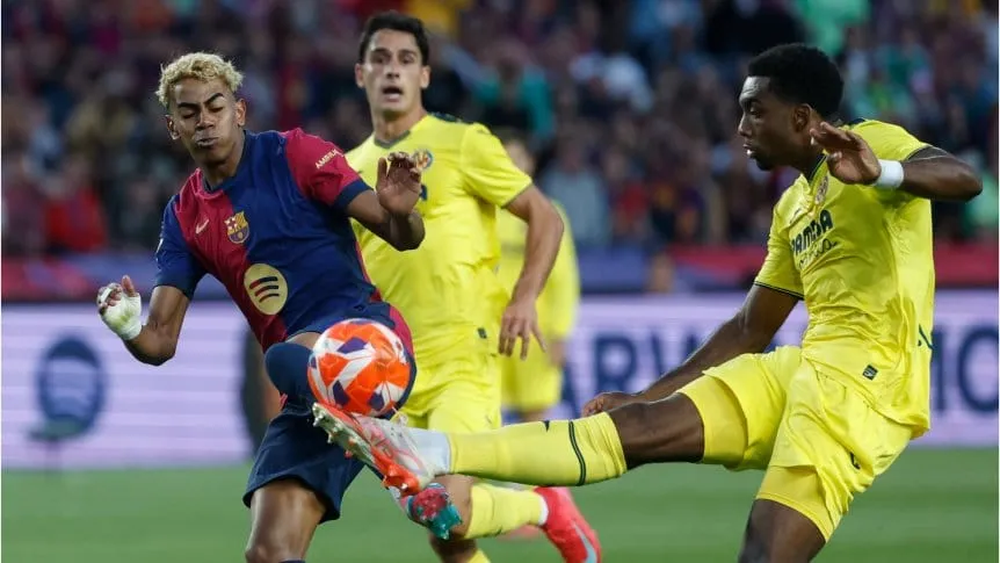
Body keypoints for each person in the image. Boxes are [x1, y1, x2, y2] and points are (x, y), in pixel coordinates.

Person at [312, 43, 983, 562]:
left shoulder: (876, 143)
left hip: (867, 384)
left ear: (805, 119)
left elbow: (965, 178)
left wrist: (885, 172)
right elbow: (751, 326)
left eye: (755, 109)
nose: (741, 124)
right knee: (632, 431)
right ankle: (428, 448)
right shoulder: (793, 206)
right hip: (804, 367)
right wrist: (645, 393)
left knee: (763, 549)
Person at [95, 52, 429, 563]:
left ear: (240, 111)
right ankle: (386, 445)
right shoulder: (184, 217)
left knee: (278, 360)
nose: (204, 120)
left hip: (372, 345)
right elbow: (159, 342)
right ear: (172, 126)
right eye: (189, 113)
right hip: (311, 398)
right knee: (269, 552)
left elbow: (402, 236)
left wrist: (403, 215)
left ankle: (384, 437)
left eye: (215, 106)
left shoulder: (296, 155)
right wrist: (126, 327)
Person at [345, 11, 600, 563]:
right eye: (382, 60)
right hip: (393, 371)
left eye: (407, 60)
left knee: (449, 508)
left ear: (426, 77)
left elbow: (544, 216)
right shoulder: (346, 170)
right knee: (443, 533)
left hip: (464, 352)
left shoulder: (463, 143)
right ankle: (541, 509)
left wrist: (526, 296)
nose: (393, 71)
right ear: (360, 73)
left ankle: (544, 509)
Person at [494, 129, 581, 425]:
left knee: (534, 419)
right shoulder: (480, 212)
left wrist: (560, 333)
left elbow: (564, 280)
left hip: (535, 329)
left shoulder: (548, 214)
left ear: (530, 163)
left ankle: (527, 472)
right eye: (502, 159)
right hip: (486, 329)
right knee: (479, 419)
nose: (510, 165)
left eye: (516, 158)